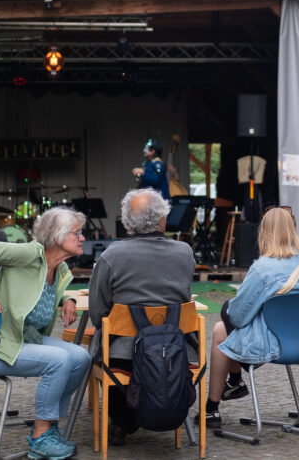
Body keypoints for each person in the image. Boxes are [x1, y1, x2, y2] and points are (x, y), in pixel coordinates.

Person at [0, 206, 91, 460]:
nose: (83, 238)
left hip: (24, 339)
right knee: (60, 360)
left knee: (81, 357)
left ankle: (48, 424)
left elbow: (40, 291)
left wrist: (67, 299)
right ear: (57, 237)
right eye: (77, 233)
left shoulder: (61, 269)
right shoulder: (28, 253)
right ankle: (40, 437)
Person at [200, 207, 299, 429]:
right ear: (293, 229)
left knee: (223, 321)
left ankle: (214, 408)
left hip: (268, 346)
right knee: (222, 330)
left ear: (265, 232)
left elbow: (238, 317)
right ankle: (231, 384)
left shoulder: (262, 268)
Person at [89, 188, 195, 445]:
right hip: (175, 352)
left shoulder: (111, 256)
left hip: (123, 356)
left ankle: (122, 421)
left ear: (127, 223)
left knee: (106, 344)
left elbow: (97, 313)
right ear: (162, 220)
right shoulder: (185, 253)